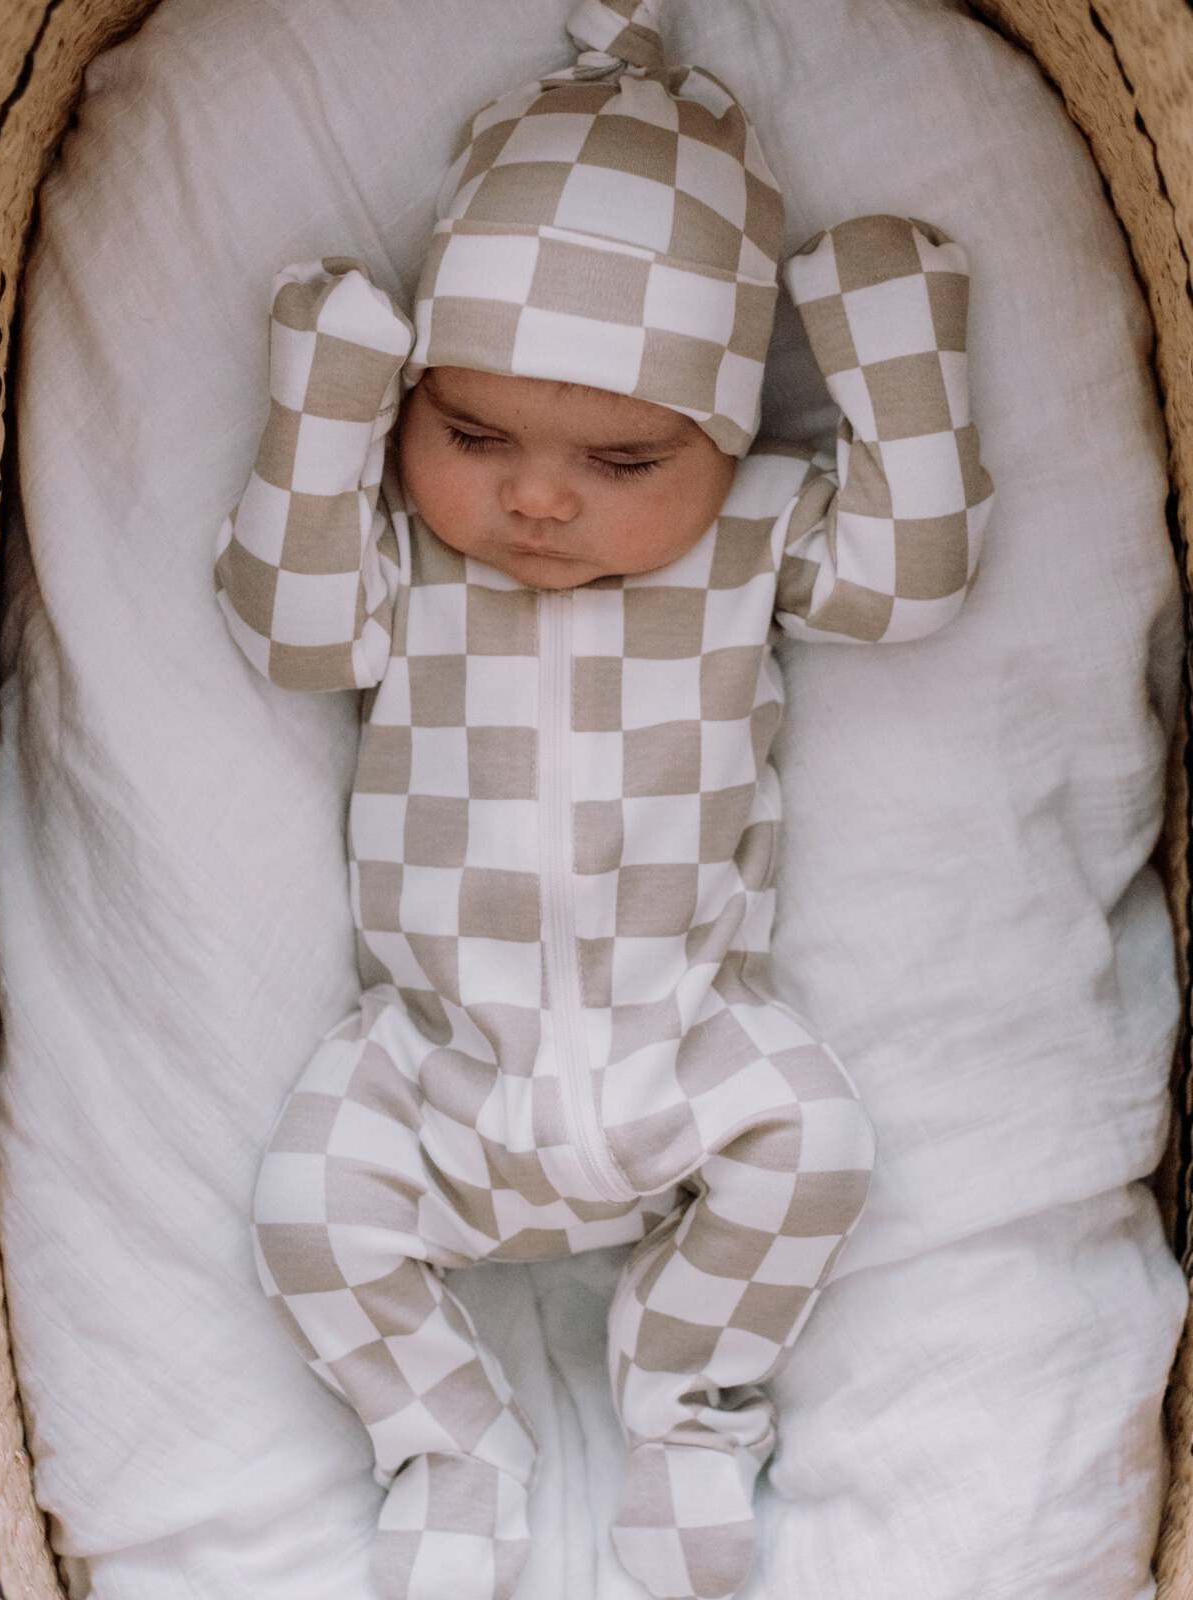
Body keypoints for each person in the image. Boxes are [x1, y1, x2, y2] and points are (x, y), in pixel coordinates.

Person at [215, 2, 994, 1595]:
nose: (538, 496)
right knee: (305, 1208)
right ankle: (447, 1439)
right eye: (472, 430)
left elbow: (912, 587)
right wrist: (325, 407)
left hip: (684, 1037)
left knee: (818, 1148)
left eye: (627, 459)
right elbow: (291, 633)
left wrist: (894, 352)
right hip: (435, 1057)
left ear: (725, 435)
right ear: (416, 400)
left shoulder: (755, 533)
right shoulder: (412, 553)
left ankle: (693, 1404)